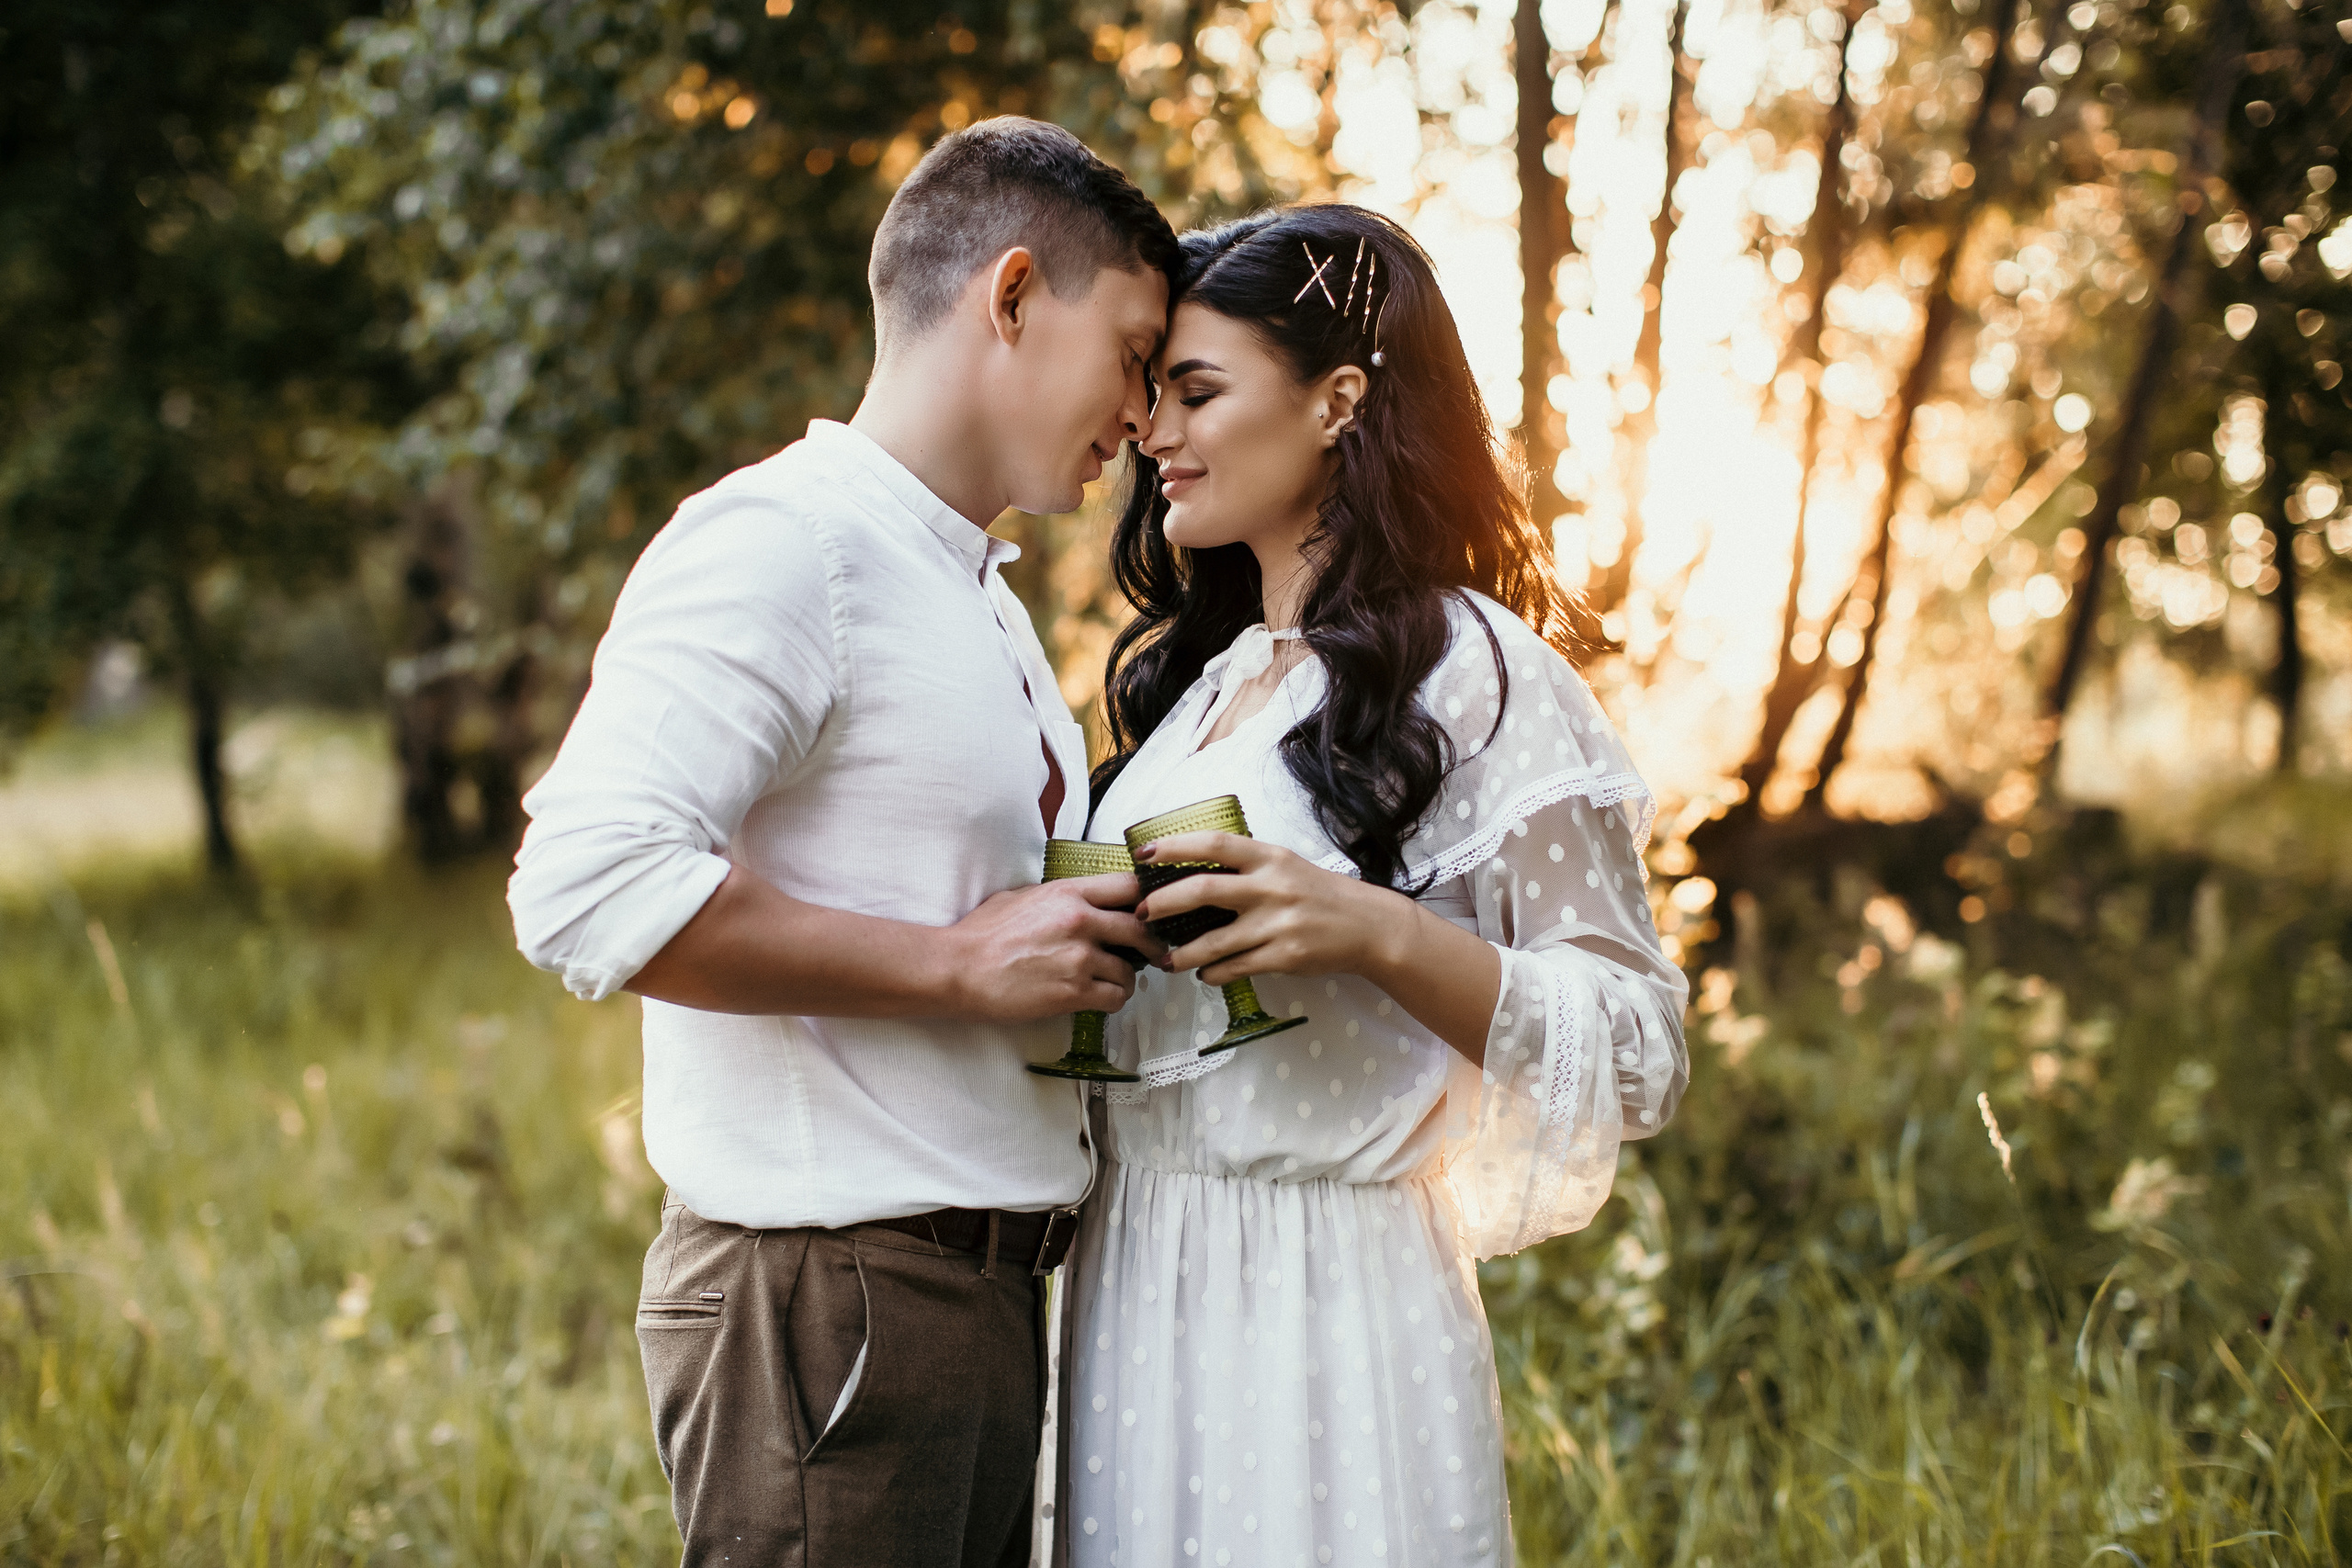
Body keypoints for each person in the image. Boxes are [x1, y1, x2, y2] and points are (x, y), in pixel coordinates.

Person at [507, 118, 1179, 1568]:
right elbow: (583, 882)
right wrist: (950, 965)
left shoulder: (978, 595)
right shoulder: (781, 541)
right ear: (1010, 297)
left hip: (983, 1302)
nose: (1142, 413)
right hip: (835, 1302)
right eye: (1131, 352)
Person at [1054, 205, 1690, 1567]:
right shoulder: (1195, 690)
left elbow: (1639, 1052)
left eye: (1197, 392)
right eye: (1153, 395)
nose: (1151, 434)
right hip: (1130, 1287)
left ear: (1340, 398)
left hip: (1329, 1307)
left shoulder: (1477, 669)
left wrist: (1373, 934)